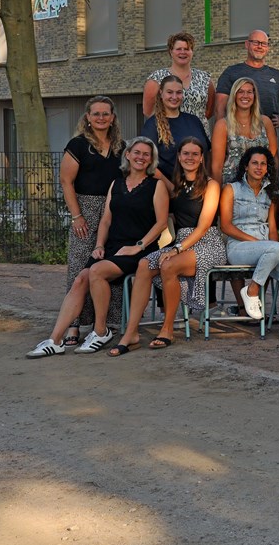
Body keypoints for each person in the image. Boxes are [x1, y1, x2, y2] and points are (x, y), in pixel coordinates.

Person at [28, 138, 169, 358]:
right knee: (80, 279)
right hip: (113, 247)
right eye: (137, 152)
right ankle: (55, 340)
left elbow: (161, 223)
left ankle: (100, 331)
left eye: (146, 154)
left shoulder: (156, 185)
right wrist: (99, 245)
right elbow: (105, 220)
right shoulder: (116, 183)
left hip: (140, 249)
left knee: (96, 271)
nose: (141, 157)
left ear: (151, 160)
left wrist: (138, 246)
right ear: (128, 155)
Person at [109, 138, 227, 354]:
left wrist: (177, 249)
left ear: (201, 158)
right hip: (180, 242)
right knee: (145, 264)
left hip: (207, 243)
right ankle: (131, 333)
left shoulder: (211, 185)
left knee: (169, 265)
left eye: (194, 154)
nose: (189, 158)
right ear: (179, 157)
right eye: (185, 154)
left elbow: (203, 227)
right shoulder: (176, 186)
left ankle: (167, 329)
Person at [59, 96, 125, 347]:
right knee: (79, 266)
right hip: (84, 209)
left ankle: (104, 323)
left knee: (107, 265)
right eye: (95, 114)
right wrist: (76, 215)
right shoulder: (77, 145)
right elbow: (66, 182)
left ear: (112, 117)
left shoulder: (120, 147)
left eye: (105, 114)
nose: (100, 118)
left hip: (112, 211)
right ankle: (73, 326)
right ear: (87, 117)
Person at [219, 146, 279, 330]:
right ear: (246, 166)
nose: (259, 167)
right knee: (276, 248)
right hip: (239, 247)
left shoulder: (270, 193)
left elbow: (273, 228)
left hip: (267, 248)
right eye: (254, 163)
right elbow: (226, 226)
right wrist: (259, 243)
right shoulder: (231, 189)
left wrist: (270, 245)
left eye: (263, 164)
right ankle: (252, 291)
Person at [215, 30, 279, 140]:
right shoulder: (231, 73)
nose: (260, 46)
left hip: (268, 137)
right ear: (246, 44)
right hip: (238, 137)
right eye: (255, 42)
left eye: (264, 43)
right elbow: (219, 109)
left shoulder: (278, 76)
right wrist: (221, 136)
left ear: (267, 47)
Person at [141, 74, 210, 184]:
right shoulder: (152, 125)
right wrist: (171, 189)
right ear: (161, 93)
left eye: (178, 92)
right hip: (169, 189)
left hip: (199, 186)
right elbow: (147, 163)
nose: (174, 97)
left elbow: (207, 153)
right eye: (169, 92)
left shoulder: (194, 120)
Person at [143, 31, 214, 136]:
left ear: (192, 52)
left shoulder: (205, 78)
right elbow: (148, 111)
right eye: (178, 49)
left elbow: (209, 110)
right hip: (168, 136)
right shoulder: (157, 78)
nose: (183, 52)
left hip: (198, 136)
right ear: (171, 52)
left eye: (186, 49)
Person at [211, 77, 277, 183]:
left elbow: (272, 156)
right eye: (240, 92)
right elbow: (217, 166)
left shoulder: (265, 122)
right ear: (234, 95)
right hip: (232, 185)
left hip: (261, 183)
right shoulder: (223, 125)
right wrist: (218, 193)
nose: (245, 96)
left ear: (254, 96)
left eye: (249, 92)